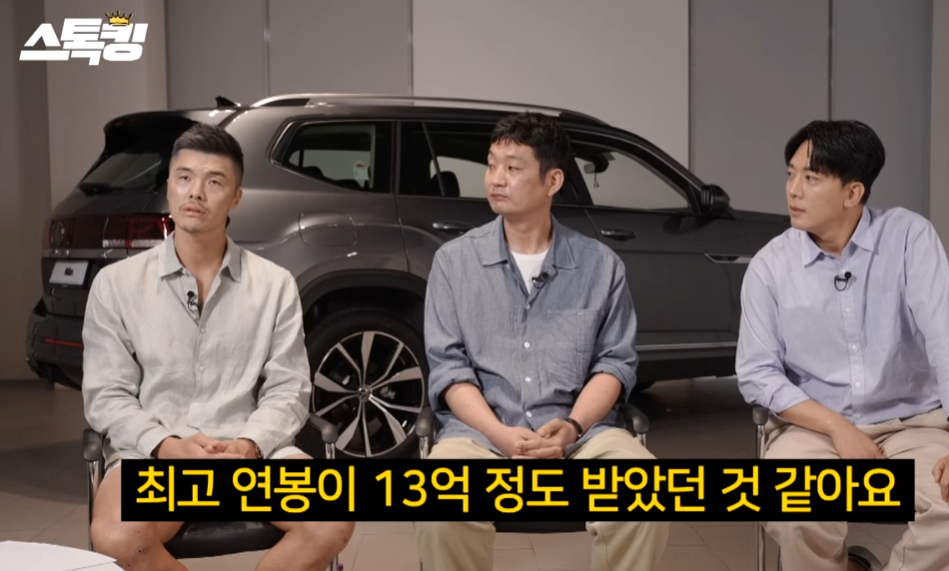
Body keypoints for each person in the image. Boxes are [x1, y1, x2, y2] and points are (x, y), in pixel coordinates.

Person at [736, 119, 949, 571]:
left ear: (853, 192)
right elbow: (757, 374)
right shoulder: (770, 266)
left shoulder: (909, 238)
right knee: (792, 504)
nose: (793, 190)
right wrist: (837, 428)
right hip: (812, 432)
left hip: (913, 428)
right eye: (790, 174)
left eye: (811, 178)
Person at [81, 123, 354, 571]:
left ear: (236, 198)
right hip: (155, 456)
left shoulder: (274, 284)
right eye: (184, 177)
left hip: (249, 455)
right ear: (169, 186)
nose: (196, 192)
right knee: (117, 535)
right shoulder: (116, 284)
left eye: (214, 182)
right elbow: (106, 396)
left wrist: (249, 444)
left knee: (333, 518)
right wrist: (167, 445)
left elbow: (288, 389)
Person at [415, 112, 669, 571]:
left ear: (553, 181)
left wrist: (571, 427)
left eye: (513, 168)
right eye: (492, 165)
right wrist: (500, 435)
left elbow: (613, 364)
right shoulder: (454, 263)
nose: (496, 179)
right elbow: (449, 370)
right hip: (480, 437)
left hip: (581, 436)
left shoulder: (600, 266)